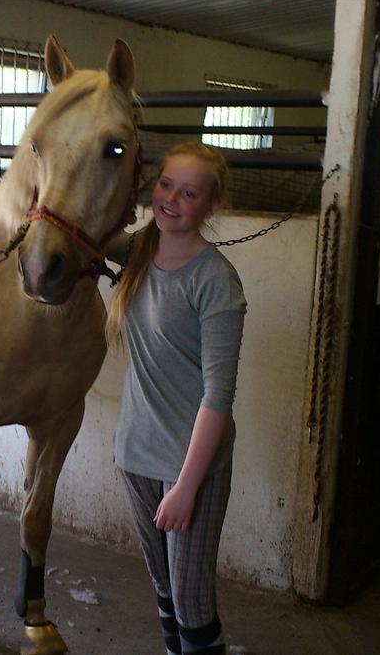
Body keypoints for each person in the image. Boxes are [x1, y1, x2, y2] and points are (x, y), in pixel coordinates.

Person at [106, 141, 245, 655]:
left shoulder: (214, 280)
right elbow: (78, 233)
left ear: (210, 207)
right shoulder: (139, 249)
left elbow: (219, 396)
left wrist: (187, 487)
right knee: (164, 594)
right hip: (136, 452)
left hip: (190, 463)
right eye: (166, 184)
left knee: (192, 605)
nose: (171, 199)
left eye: (189, 193)